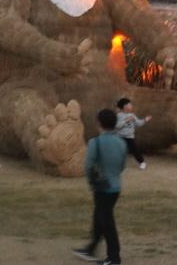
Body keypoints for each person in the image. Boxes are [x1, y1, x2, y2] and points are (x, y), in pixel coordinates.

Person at [73, 109, 127, 265]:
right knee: (100, 216)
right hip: (116, 186)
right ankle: (91, 248)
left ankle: (114, 258)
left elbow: (88, 166)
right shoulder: (121, 142)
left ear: (99, 123)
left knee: (107, 221)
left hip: (102, 187)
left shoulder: (95, 142)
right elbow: (122, 165)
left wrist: (92, 182)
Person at [115, 97, 151, 170]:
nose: (131, 106)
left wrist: (145, 120)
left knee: (135, 150)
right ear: (125, 106)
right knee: (118, 151)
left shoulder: (133, 115)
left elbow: (138, 124)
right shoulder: (119, 115)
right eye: (129, 104)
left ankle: (142, 162)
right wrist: (126, 120)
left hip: (129, 137)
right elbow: (117, 126)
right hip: (119, 137)